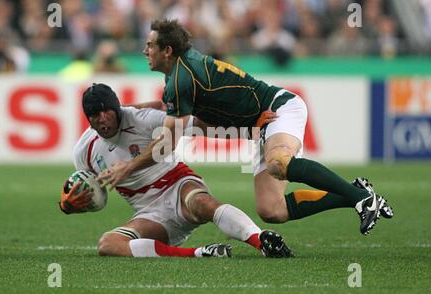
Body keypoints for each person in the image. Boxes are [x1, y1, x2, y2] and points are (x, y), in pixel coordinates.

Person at [98, 19, 394, 238]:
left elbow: (167, 143)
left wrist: (127, 168)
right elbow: (167, 108)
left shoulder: (181, 80)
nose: (143, 50)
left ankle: (361, 200)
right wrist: (124, 112)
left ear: (167, 50)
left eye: (149, 45)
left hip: (279, 108)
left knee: (279, 164)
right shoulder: (179, 73)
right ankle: (355, 193)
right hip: (260, 125)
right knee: (271, 210)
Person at [58, 83, 293, 259]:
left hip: (178, 184)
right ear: (87, 119)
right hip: (150, 213)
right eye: (94, 115)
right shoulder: (84, 150)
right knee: (108, 245)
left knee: (202, 203)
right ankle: (200, 253)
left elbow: (197, 125)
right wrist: (68, 206)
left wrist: (249, 125)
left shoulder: (142, 119)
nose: (102, 119)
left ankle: (261, 241)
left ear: (117, 107)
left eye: (107, 111)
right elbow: (83, 188)